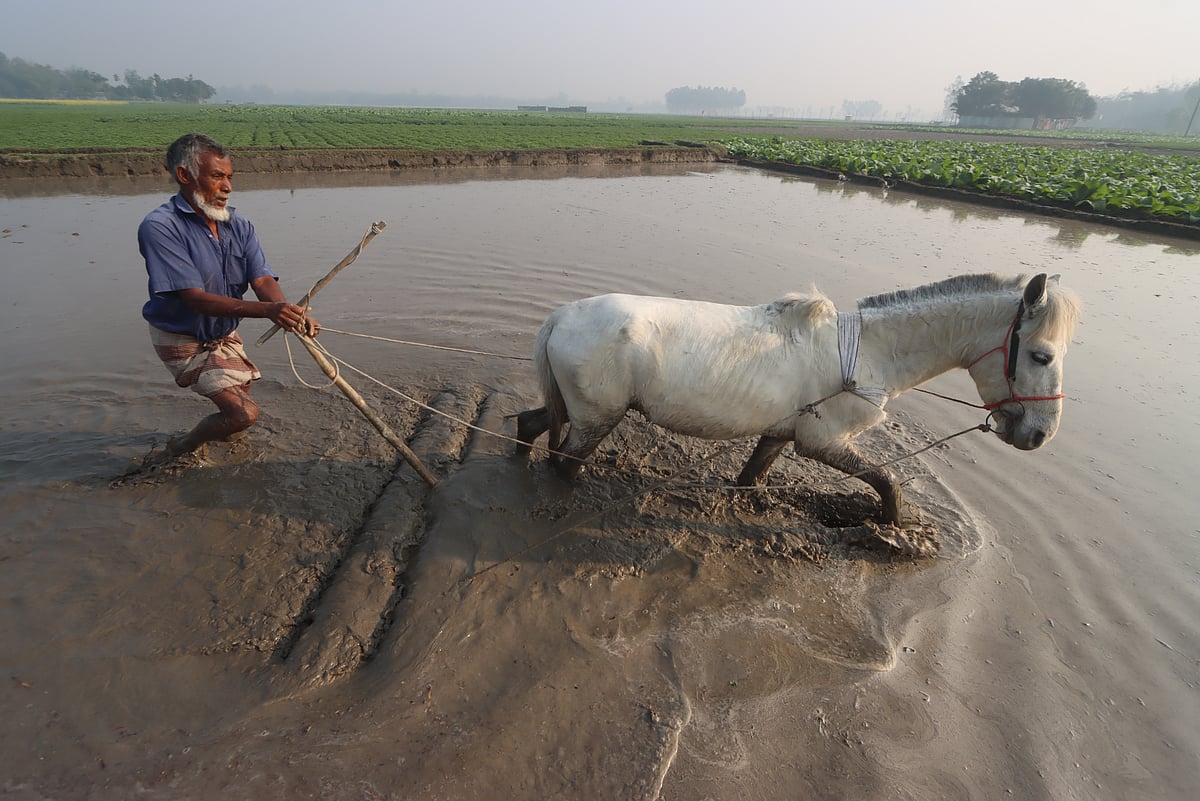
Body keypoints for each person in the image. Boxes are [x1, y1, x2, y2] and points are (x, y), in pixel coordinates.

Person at [139, 132, 319, 457]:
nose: (227, 187)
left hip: (223, 331)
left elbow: (262, 280)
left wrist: (289, 310)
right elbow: (193, 298)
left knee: (242, 397)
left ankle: (227, 437)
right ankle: (181, 448)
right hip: (182, 337)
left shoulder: (240, 226)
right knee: (243, 413)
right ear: (185, 175)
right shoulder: (161, 227)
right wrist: (268, 312)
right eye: (217, 176)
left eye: (230, 177)